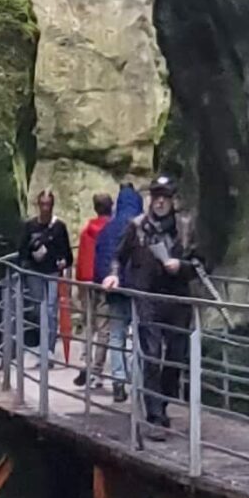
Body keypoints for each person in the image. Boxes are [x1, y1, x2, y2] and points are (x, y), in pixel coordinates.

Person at [104, 176, 200, 428]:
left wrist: (181, 266)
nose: (159, 201)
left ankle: (163, 400)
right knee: (152, 354)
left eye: (164, 197)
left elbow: (201, 264)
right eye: (155, 196)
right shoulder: (136, 226)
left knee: (176, 356)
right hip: (147, 298)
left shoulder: (186, 226)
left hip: (178, 299)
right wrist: (113, 274)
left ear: (172, 200)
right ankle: (155, 413)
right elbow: (118, 255)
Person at [94, 178, 143, 399]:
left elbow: (101, 257)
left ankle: (118, 382)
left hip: (114, 289)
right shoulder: (142, 226)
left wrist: (101, 282)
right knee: (138, 336)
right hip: (138, 289)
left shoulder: (108, 228)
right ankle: (137, 382)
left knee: (116, 336)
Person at [19, 189, 72, 370]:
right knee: (38, 311)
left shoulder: (59, 227)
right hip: (34, 274)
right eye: (42, 204)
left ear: (52, 206)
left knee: (49, 311)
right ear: (37, 205)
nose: (45, 208)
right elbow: (22, 251)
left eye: (48, 205)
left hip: (52, 273)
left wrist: (64, 262)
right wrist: (26, 263)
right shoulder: (30, 226)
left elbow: (68, 255)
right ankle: (44, 346)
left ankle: (48, 351)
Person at [72, 193, 114, 386]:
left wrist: (79, 282)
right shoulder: (112, 230)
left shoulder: (86, 231)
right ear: (110, 207)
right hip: (104, 281)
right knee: (104, 327)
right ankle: (97, 370)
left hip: (87, 282)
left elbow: (81, 259)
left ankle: (86, 362)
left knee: (88, 324)